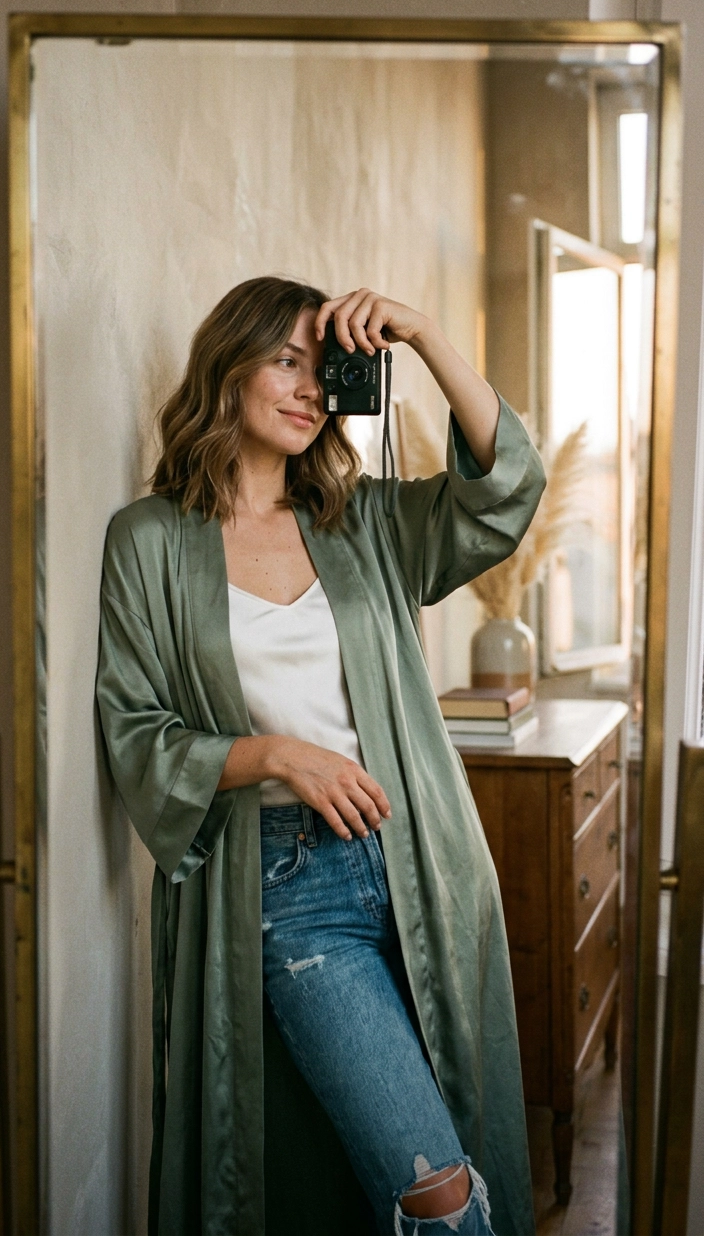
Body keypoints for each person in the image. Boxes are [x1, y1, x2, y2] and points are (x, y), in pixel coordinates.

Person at [96, 276, 546, 1236]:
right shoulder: (147, 541)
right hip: (291, 892)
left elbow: (505, 489)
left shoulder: (366, 522)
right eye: (286, 363)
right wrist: (275, 756)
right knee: (437, 1189)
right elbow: (135, 730)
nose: (309, 390)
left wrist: (421, 334)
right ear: (230, 366)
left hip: (422, 862)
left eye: (325, 369)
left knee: (450, 1146)